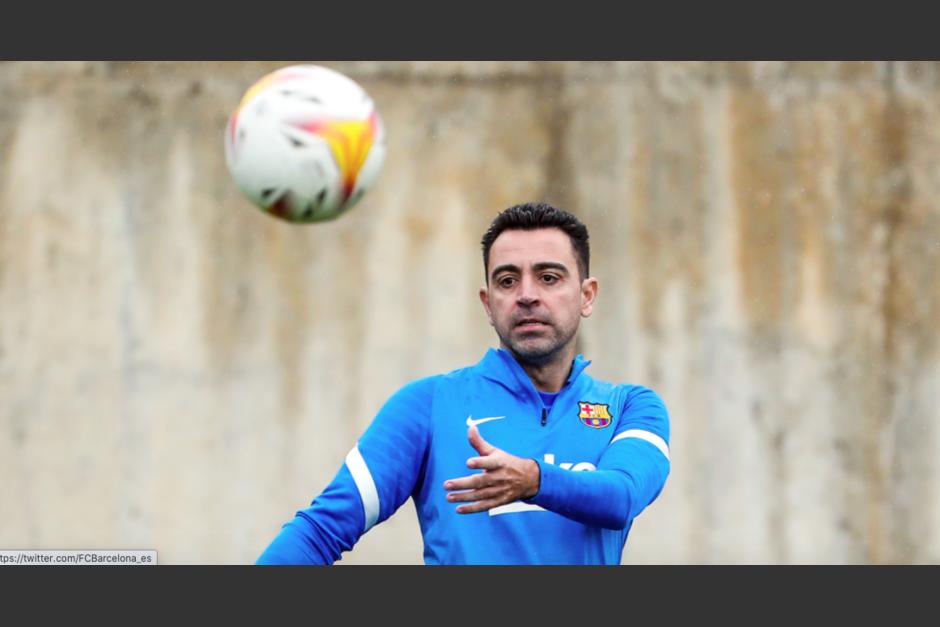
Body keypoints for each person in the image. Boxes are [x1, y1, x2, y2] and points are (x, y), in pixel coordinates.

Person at [256, 202, 671, 565]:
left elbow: (621, 496)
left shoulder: (631, 407)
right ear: (488, 304)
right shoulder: (429, 405)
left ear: (587, 295)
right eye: (507, 280)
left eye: (548, 277)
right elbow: (320, 532)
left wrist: (533, 481)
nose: (526, 295)